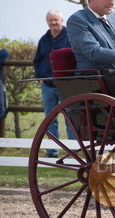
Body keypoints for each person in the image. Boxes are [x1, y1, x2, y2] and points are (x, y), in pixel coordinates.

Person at [34, 9, 75, 158]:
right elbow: (37, 60)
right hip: (47, 85)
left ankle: (73, 150)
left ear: (61, 21)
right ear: (47, 22)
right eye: (51, 20)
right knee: (50, 118)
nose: (53, 23)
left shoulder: (70, 37)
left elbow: (74, 58)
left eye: (56, 20)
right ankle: (52, 150)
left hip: (66, 84)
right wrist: (40, 77)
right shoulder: (43, 40)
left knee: (70, 117)